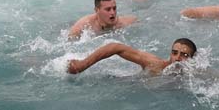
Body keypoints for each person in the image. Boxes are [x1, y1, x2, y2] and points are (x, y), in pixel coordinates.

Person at [67, 38, 197, 76]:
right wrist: (82, 65)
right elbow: (115, 47)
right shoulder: (155, 64)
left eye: (184, 55)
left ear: (192, 58)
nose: (177, 58)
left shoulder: (194, 75)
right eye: (174, 53)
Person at [68, 0, 136, 39]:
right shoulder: (83, 27)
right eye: (108, 9)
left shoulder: (124, 23)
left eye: (114, 8)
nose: (112, 12)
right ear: (97, 10)